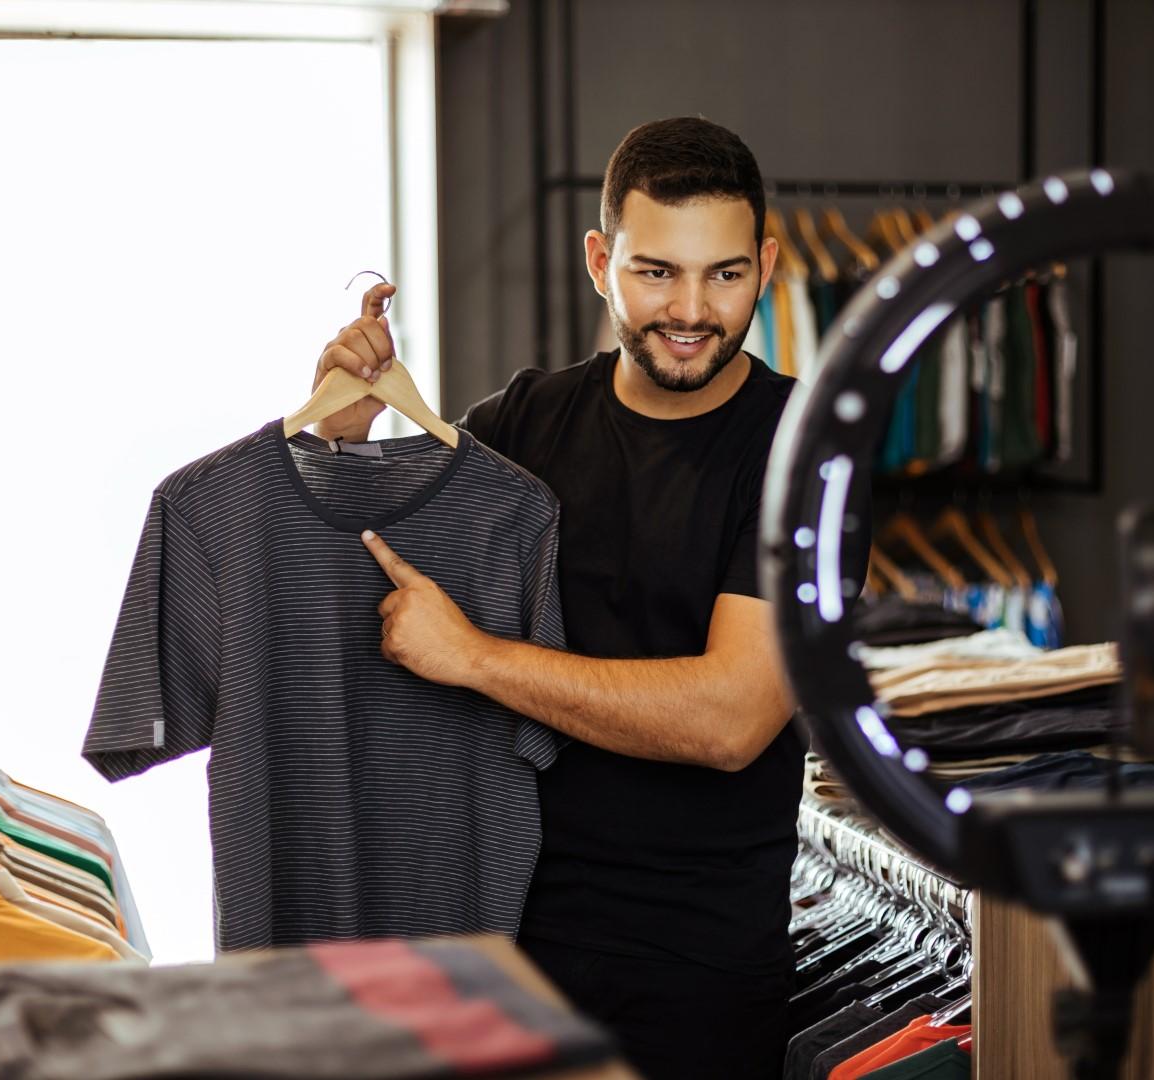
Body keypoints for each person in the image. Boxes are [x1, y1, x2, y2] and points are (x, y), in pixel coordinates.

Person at [310, 117, 836, 1079]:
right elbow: (358, 593)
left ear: (767, 263)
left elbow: (731, 718)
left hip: (698, 987)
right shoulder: (522, 422)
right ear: (601, 261)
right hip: (499, 962)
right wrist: (338, 441)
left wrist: (473, 657)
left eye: (724, 274)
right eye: (655, 272)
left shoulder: (806, 452)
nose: (690, 309)